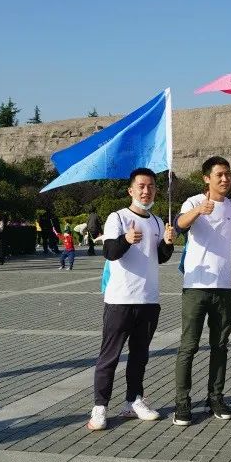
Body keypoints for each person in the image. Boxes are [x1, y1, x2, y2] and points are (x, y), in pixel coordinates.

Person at [87, 168, 175, 431]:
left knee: (139, 356)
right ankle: (100, 407)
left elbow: (160, 257)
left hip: (149, 300)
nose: (146, 191)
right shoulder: (118, 217)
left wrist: (168, 243)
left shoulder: (157, 221)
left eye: (151, 186)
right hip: (120, 300)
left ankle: (133, 401)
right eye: (141, 186)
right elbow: (110, 252)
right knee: (109, 356)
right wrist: (125, 239)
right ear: (131, 190)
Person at [173, 156, 231, 426]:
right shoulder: (193, 201)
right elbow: (179, 225)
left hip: (224, 287)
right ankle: (182, 403)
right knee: (189, 347)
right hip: (196, 286)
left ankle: (215, 397)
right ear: (207, 178)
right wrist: (198, 211)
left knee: (220, 345)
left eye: (228, 174)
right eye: (219, 175)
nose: (225, 179)